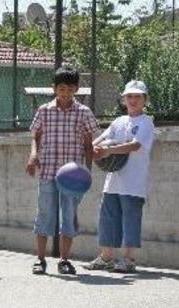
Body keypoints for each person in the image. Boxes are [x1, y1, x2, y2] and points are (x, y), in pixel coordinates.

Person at [27, 66, 100, 275]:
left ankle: (65, 260)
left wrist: (88, 171)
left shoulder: (83, 113)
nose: (65, 93)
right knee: (44, 215)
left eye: (69, 89)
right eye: (61, 88)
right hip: (48, 171)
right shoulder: (44, 110)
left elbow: (88, 144)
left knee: (68, 216)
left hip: (73, 177)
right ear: (54, 88)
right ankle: (40, 260)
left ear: (76, 89)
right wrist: (33, 155)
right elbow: (36, 136)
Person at [85, 80, 155, 273]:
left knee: (131, 219)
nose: (133, 100)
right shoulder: (119, 121)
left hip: (133, 183)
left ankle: (129, 259)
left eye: (137, 96)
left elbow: (135, 146)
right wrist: (92, 147)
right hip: (113, 181)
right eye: (129, 96)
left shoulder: (146, 122)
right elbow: (101, 138)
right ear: (124, 99)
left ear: (145, 100)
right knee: (108, 218)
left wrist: (108, 152)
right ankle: (106, 258)